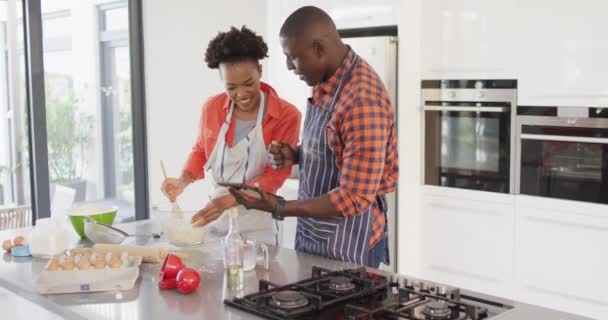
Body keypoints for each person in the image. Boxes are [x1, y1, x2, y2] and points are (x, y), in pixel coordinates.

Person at [223, 6, 398, 268]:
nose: (288, 66)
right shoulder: (328, 78)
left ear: (318, 48)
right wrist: (297, 154)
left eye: (292, 57)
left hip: (350, 244)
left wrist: (279, 207)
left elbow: (355, 197)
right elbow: (339, 147)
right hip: (317, 234)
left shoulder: (362, 101)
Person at [161, 26, 301, 245]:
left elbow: (274, 176)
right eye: (231, 87)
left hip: (258, 223)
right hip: (217, 219)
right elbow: (200, 152)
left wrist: (228, 200)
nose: (241, 94)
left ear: (260, 71)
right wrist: (182, 181)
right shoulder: (212, 108)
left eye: (248, 84)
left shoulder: (286, 115)